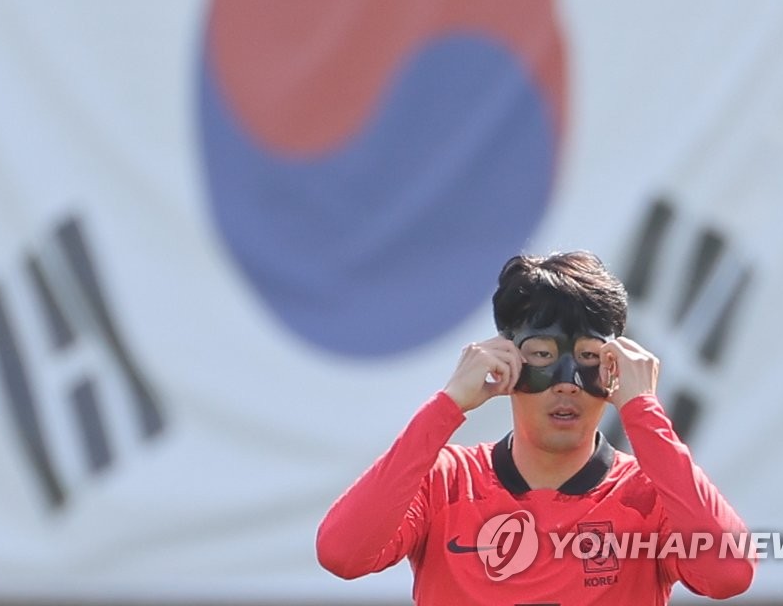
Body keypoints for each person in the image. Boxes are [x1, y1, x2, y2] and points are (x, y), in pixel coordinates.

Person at [316, 250, 756, 604]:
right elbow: (342, 553)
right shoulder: (447, 481)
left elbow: (729, 573)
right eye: (542, 355)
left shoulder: (649, 497)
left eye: (588, 357)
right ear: (507, 360)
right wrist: (446, 405)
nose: (566, 384)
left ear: (615, 366)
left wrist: (642, 410)